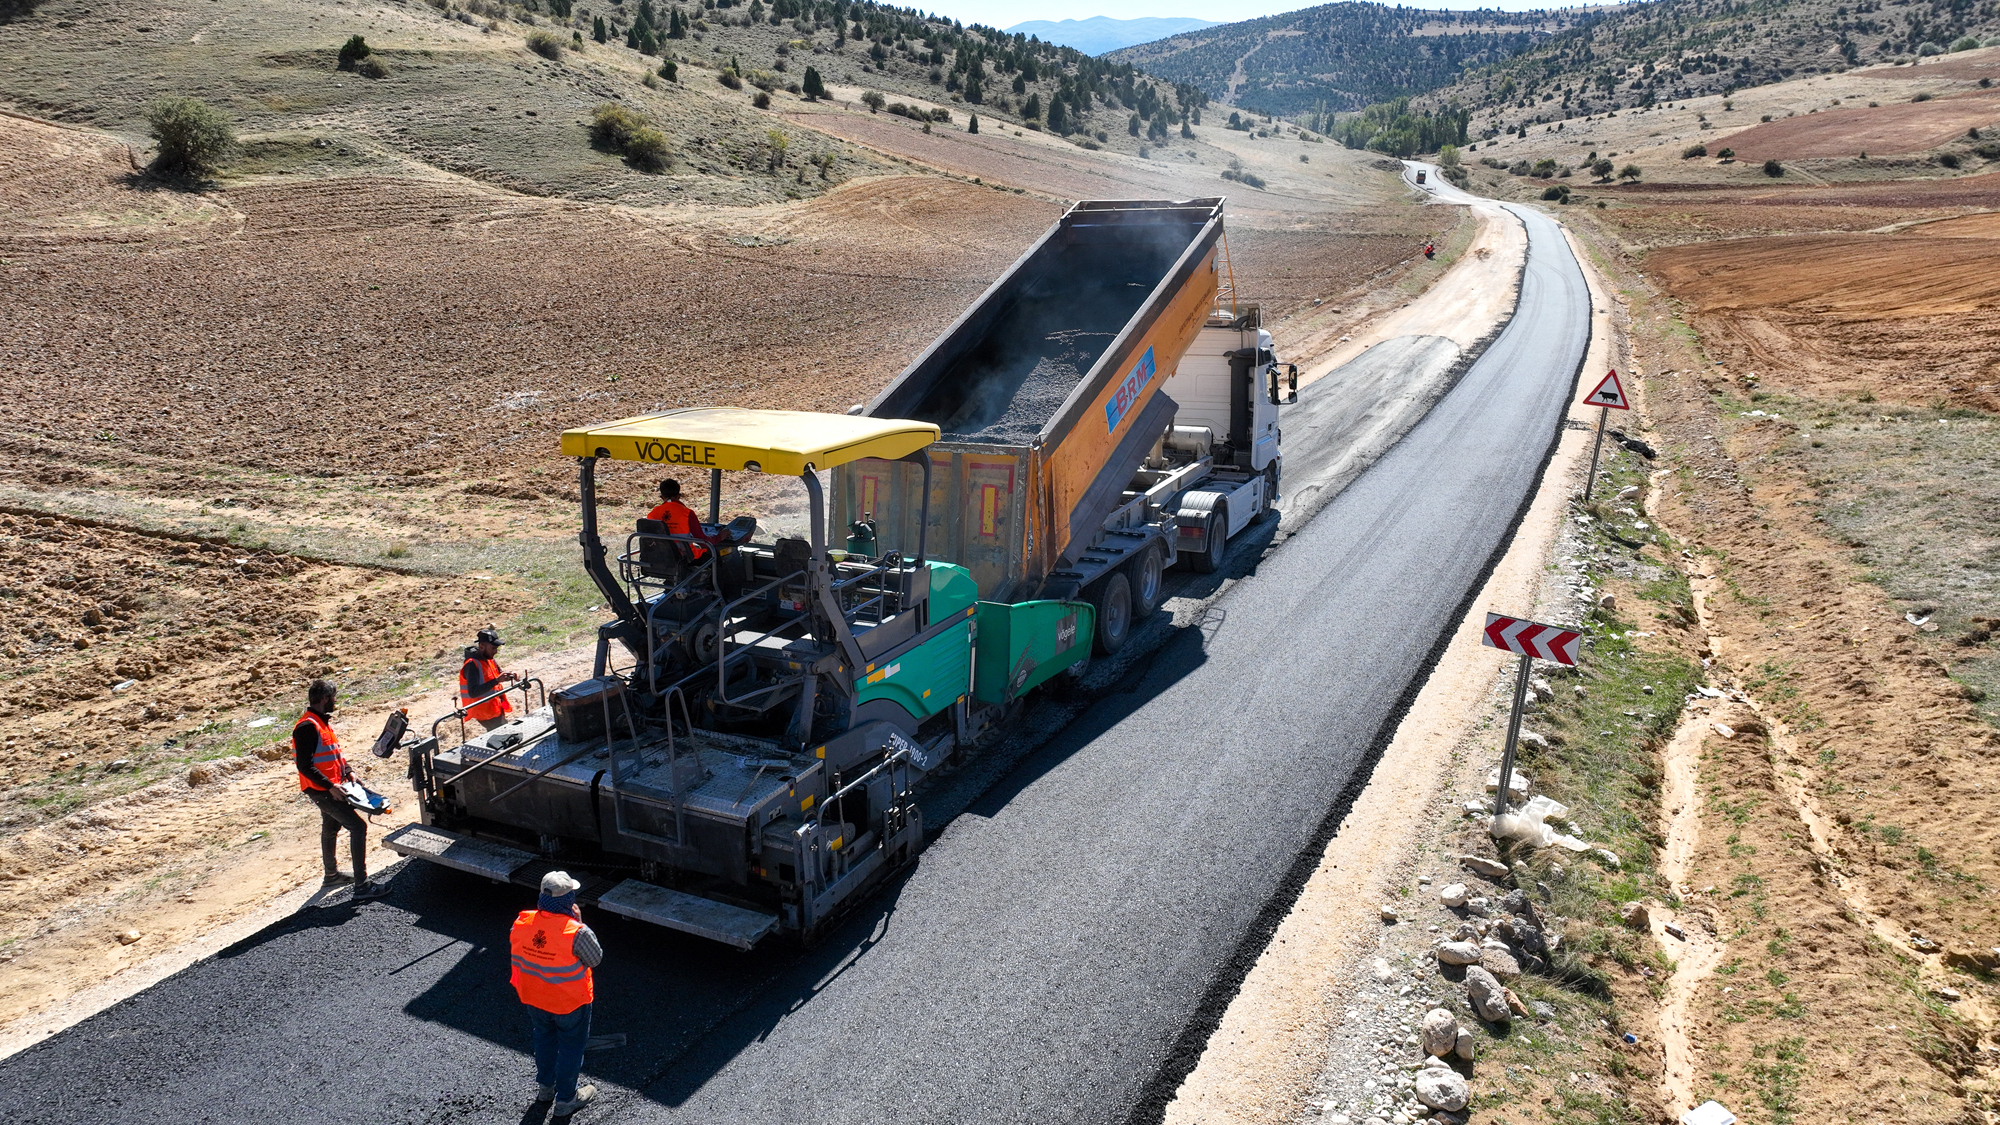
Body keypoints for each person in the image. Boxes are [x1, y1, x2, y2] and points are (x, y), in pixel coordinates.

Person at [511, 871, 603, 1116]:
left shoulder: (522, 921)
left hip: (534, 998)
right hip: (569, 1003)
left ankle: (545, 1090)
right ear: (568, 899)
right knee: (571, 1048)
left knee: (544, 1041)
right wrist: (580, 922)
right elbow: (595, 959)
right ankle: (566, 1100)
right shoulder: (576, 932)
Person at [294, 680, 388, 900]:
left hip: (332, 787)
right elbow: (304, 766)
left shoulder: (321, 722)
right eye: (334, 697)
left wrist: (348, 771)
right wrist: (330, 786)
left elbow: (334, 754)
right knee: (358, 827)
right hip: (323, 790)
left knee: (331, 827)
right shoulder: (307, 726)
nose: (335, 701)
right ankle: (362, 886)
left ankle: (331, 875)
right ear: (325, 698)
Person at [645, 478, 719, 563]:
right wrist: (720, 537)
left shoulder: (652, 514)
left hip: (659, 558)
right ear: (679, 496)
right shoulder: (687, 513)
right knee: (715, 556)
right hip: (684, 558)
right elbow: (702, 540)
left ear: (662, 497)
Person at [459, 628, 518, 732]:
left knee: (499, 735)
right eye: (493, 648)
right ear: (482, 646)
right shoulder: (472, 665)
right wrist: (496, 680)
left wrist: (510, 674)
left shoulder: (489, 658)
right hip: (484, 712)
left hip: (495, 707)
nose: (495, 651)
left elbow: (498, 673)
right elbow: (473, 692)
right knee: (505, 733)